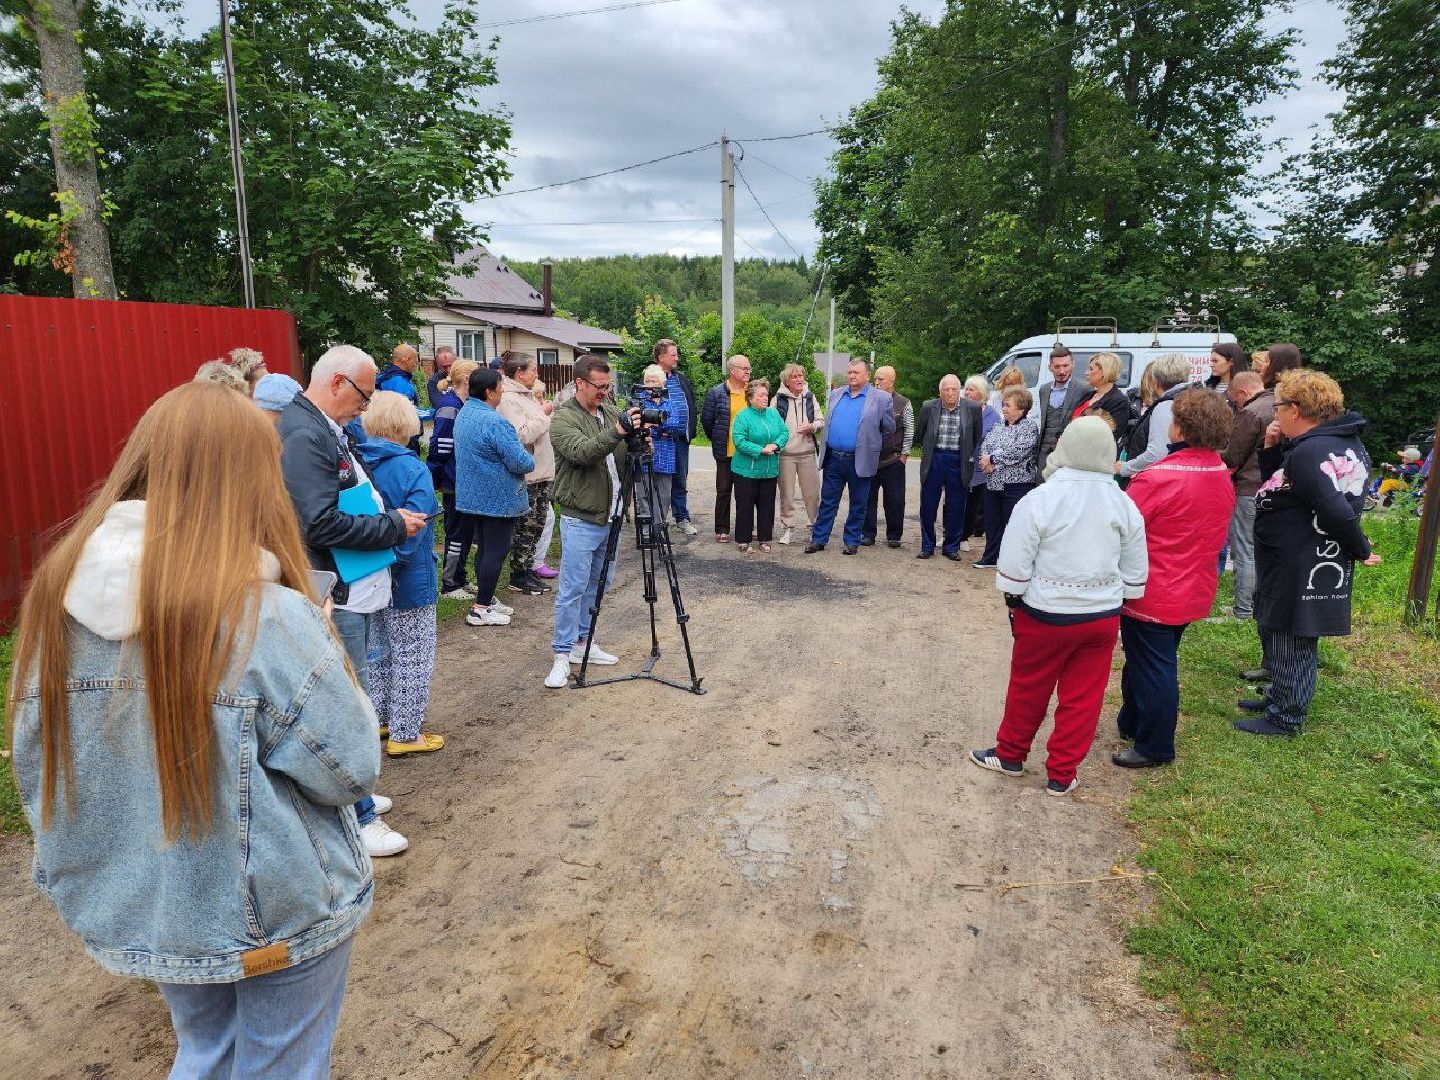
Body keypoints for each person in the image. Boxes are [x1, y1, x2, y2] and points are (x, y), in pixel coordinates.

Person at [8, 383, 379, 1077]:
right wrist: (328, 654)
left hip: (155, 903)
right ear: (250, 482)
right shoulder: (264, 616)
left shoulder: (53, 606)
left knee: (205, 1051)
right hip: (276, 909)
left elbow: (41, 770)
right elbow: (352, 769)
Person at [278, 344, 425, 858]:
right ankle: (356, 818)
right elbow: (317, 521)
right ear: (338, 382)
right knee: (346, 701)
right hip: (333, 588)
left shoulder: (321, 425)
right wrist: (391, 525)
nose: (364, 409)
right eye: (363, 397)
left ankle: (354, 797)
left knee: (354, 694)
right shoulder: (304, 433)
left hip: (352, 581)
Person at [968, 417, 1149, 795]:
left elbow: (1015, 563)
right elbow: (1135, 573)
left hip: (1045, 613)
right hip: (1100, 618)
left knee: (1028, 687)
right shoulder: (1123, 502)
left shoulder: (1042, 498)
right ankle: (1062, 774)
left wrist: (1014, 599)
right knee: (1083, 697)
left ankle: (1011, 755)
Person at [1237, 369, 1380, 737]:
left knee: (1291, 636)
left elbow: (1334, 509)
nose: (1275, 413)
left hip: (1301, 559)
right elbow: (1282, 485)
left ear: (1297, 409)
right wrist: (1272, 448)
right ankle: (1279, 696)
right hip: (1292, 555)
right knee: (1277, 628)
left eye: (1279, 406)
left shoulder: (1313, 450)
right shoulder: (1325, 443)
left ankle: (1287, 716)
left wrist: (1360, 548)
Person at [1112, 390, 1236, 768]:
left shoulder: (1159, 477)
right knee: (1146, 658)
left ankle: (1155, 746)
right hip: (1193, 584)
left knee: (1154, 665)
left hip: (1155, 588)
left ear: (1180, 426)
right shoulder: (1219, 472)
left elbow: (1124, 528)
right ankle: (1132, 720)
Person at [359, 391, 444, 757]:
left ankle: (379, 715)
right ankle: (405, 732)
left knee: (377, 649)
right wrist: (397, 558)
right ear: (405, 424)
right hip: (408, 577)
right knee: (413, 652)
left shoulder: (357, 461)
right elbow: (417, 523)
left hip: (366, 571)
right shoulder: (413, 468)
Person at [545, 354, 636, 689]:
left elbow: (626, 457)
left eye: (608, 386)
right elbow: (582, 453)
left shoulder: (610, 411)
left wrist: (641, 442)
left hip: (612, 514)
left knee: (601, 583)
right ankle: (561, 654)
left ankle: (584, 642)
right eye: (599, 387)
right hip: (581, 517)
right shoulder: (563, 418)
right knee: (572, 587)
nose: (605, 393)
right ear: (579, 383)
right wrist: (616, 432)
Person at [453, 367, 534, 628]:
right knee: (495, 551)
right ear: (489, 392)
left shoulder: (465, 412)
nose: (502, 394)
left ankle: (485, 598)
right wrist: (530, 456)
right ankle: (481, 608)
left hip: (472, 496)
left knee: (486, 549)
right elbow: (521, 462)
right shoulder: (495, 421)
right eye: (500, 389)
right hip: (497, 498)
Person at [805, 360, 896, 555]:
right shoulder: (836, 394)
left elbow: (889, 429)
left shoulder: (881, 399)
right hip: (834, 459)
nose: (851, 376)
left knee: (858, 503)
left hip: (860, 459)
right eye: (849, 372)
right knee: (828, 501)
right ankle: (819, 540)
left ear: (867, 376)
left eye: (856, 372)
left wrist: (870, 440)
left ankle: (852, 541)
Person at [497, 351, 556, 598]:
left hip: (540, 472)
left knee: (538, 524)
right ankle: (518, 575)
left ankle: (528, 569)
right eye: (533, 370)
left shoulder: (527, 396)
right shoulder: (509, 399)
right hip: (527, 475)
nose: (537, 374)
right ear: (519, 373)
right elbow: (521, 435)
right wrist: (544, 414)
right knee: (527, 527)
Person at [1222, 371, 1274, 621]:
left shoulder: (1251, 412)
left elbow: (1233, 456)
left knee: (1244, 550)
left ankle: (1243, 611)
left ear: (1243, 393)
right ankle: (1257, 605)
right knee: (1262, 550)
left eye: (1235, 401)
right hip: (1272, 489)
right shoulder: (1279, 404)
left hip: (1249, 488)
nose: (1236, 406)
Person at [913, 374, 982, 560]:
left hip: (958, 459)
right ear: (940, 391)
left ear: (958, 390)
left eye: (954, 389)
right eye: (946, 389)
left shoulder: (973, 408)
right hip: (935, 458)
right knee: (928, 505)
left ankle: (951, 547)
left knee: (957, 505)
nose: (950, 393)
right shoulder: (929, 407)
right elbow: (921, 433)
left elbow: (976, 436)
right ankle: (927, 545)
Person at [429, 358, 479, 598]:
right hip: (453, 481)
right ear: (468, 379)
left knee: (467, 533)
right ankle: (450, 584)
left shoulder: (464, 404)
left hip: (464, 480)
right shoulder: (450, 406)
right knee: (457, 533)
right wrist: (436, 478)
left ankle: (460, 578)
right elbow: (440, 446)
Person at [973, 388, 1039, 569]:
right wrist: (986, 461)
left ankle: (1014, 562)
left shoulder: (1029, 427)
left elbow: (1018, 452)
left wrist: (993, 460)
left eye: (1008, 405)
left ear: (1022, 408)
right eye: (1003, 404)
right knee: (992, 523)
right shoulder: (998, 425)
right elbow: (987, 444)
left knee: (1014, 524)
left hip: (1017, 485)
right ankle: (990, 558)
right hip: (994, 482)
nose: (1004, 408)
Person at [730, 379, 790, 552]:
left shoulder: (773, 413)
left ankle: (764, 539)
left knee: (766, 506)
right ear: (751, 398)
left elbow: (785, 432)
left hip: (769, 470)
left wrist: (776, 445)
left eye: (766, 394)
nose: (766, 397)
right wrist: (760, 450)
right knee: (745, 506)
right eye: (761, 395)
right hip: (746, 471)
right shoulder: (743, 416)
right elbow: (739, 440)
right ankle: (743, 540)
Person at [700, 355, 752, 542]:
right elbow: (706, 420)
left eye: (749, 368)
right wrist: (716, 439)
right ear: (732, 370)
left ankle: (746, 527)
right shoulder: (716, 393)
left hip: (747, 451)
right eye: (744, 368)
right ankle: (722, 528)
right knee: (723, 490)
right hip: (726, 450)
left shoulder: (752, 391)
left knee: (746, 492)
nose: (748, 371)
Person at [1119, 353, 1194, 481]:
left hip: (1161, 478)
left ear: (1157, 382)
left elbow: (1157, 453)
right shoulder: (1191, 398)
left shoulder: (1165, 405)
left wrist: (1124, 468)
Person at [633, 363, 687, 539]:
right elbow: (637, 426)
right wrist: (659, 426)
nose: (649, 384)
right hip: (643, 453)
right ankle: (646, 532)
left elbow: (675, 425)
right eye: (647, 380)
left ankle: (658, 529)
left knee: (663, 496)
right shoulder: (637, 402)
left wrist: (653, 426)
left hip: (665, 456)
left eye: (653, 380)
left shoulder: (670, 403)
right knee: (644, 495)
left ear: (662, 383)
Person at [862, 365, 913, 548]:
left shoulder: (903, 403)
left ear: (892, 381)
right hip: (870, 460)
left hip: (893, 460)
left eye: (881, 379)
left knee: (895, 500)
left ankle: (894, 536)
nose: (877, 382)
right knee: (868, 499)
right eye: (875, 378)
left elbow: (909, 431)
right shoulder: (867, 400)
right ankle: (867, 534)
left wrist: (904, 456)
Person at [773, 362, 824, 546]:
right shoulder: (778, 399)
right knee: (786, 494)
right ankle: (788, 528)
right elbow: (772, 425)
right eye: (794, 377)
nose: (799, 379)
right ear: (787, 381)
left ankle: (813, 528)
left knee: (812, 494)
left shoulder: (810, 397)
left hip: (807, 453)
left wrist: (812, 427)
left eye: (801, 376)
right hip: (785, 454)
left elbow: (820, 420)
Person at [654, 338, 699, 536]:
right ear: (661, 357)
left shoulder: (681, 379)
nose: (676, 358)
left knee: (680, 480)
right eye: (673, 354)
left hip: (681, 439)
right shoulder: (651, 378)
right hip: (661, 440)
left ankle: (682, 518)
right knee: (661, 482)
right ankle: (658, 521)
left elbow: (691, 404)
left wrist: (690, 430)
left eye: (676, 354)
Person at [1035, 345, 1089, 473]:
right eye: (1057, 367)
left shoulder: (1084, 389)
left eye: (1065, 366)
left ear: (1073, 364)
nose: (1062, 371)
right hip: (1044, 452)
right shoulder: (1044, 389)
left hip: (1069, 452)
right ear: (1050, 367)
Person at [962, 375, 1000, 549]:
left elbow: (995, 439)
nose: (968, 392)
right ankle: (950, 534)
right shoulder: (960, 409)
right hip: (961, 462)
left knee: (973, 505)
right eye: (967, 389)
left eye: (972, 389)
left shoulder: (993, 415)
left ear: (982, 393)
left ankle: (964, 537)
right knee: (953, 500)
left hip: (980, 467)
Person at [1074, 351, 1132, 434]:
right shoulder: (1088, 395)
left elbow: (1111, 435)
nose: (1086, 373)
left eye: (1091, 369)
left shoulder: (1119, 401)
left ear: (1103, 372)